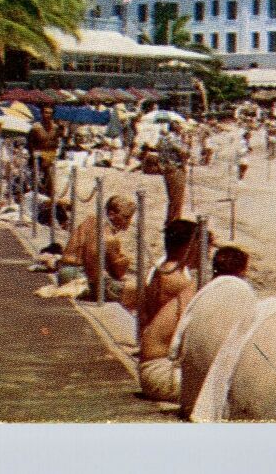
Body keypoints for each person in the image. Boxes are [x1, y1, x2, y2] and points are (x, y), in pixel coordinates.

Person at [135, 218, 201, 402]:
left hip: (152, 353)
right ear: (189, 246)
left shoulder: (160, 271)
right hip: (161, 361)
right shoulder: (178, 281)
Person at [58, 194, 137, 308]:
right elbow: (118, 272)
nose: (129, 222)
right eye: (126, 217)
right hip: (78, 280)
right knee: (138, 291)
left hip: (64, 272)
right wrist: (124, 260)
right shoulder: (109, 238)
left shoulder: (91, 219)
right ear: (111, 215)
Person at [27, 105, 62, 201]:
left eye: (50, 113)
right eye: (46, 112)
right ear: (42, 114)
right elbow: (30, 143)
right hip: (38, 155)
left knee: (50, 177)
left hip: (50, 154)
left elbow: (56, 142)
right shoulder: (35, 127)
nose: (48, 115)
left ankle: (51, 197)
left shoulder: (55, 127)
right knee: (37, 178)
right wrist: (34, 153)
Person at [157, 121, 189, 221]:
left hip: (166, 169)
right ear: (177, 129)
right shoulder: (173, 139)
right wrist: (186, 141)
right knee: (177, 199)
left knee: (172, 198)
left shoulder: (162, 139)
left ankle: (170, 220)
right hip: (176, 169)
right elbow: (184, 153)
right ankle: (174, 221)